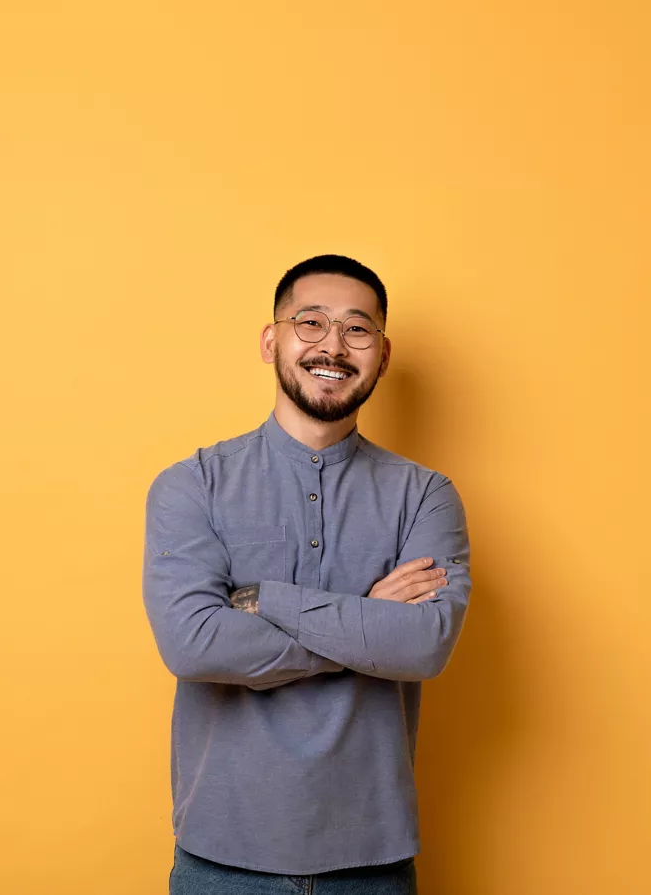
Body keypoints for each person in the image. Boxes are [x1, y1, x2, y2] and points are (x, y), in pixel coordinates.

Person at [142, 253, 472, 894]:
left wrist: (267, 601)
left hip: (371, 861)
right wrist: (367, 616)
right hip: (222, 858)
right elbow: (193, 643)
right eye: (310, 322)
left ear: (382, 350)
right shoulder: (193, 485)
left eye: (358, 329)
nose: (333, 346)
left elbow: (424, 645)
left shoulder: (427, 495)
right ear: (272, 341)